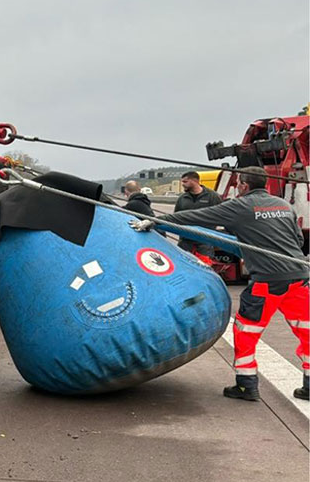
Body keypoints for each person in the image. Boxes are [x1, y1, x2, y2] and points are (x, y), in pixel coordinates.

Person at [132, 166, 309, 401]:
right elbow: (297, 240)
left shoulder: (241, 206)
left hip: (267, 282)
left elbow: (197, 218)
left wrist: (157, 221)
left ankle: (247, 386)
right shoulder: (283, 205)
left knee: (246, 331)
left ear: (243, 186)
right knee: (306, 331)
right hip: (300, 277)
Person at [174, 171, 223, 256]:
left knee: (204, 265)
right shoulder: (182, 198)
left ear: (195, 181)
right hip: (185, 241)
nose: (182, 184)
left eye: (185, 182)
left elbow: (221, 215)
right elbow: (176, 217)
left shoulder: (212, 196)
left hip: (204, 241)